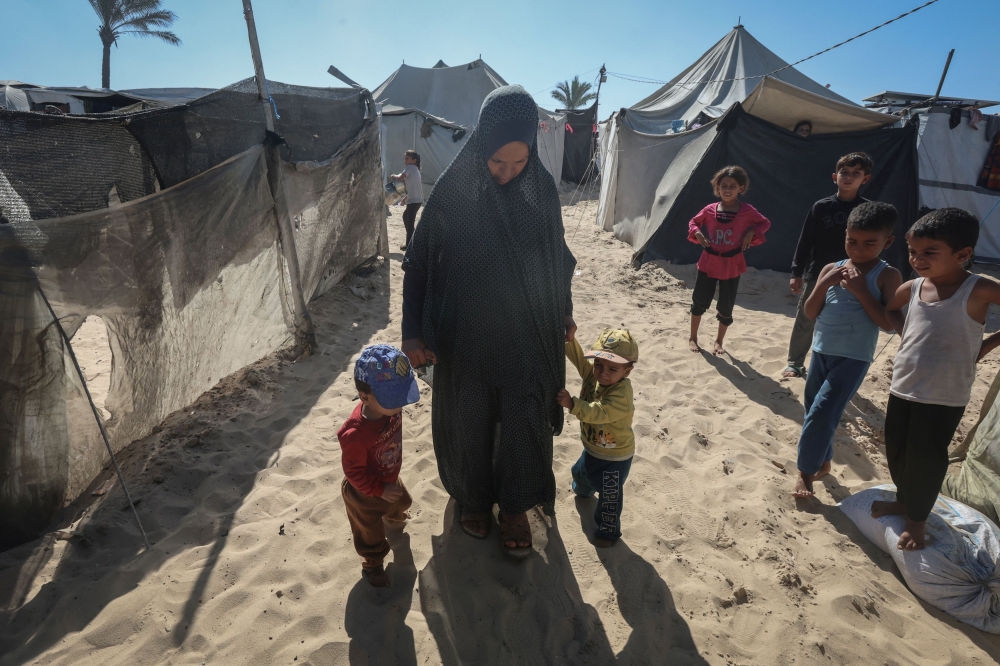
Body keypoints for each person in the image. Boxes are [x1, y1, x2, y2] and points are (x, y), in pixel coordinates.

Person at [400, 85, 576, 558]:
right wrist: (411, 331)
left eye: (518, 163)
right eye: (497, 162)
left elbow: (557, 263)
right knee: (468, 419)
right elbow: (418, 263)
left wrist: (565, 313)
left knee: (523, 419)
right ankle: (474, 499)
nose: (506, 173)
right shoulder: (452, 196)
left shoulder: (541, 194)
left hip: (524, 334)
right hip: (466, 335)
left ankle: (516, 506)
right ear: (481, 146)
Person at [872, 208, 1000, 550]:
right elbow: (891, 309)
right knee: (898, 451)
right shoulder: (913, 287)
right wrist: (906, 334)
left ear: (963, 254)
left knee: (926, 457)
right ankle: (903, 500)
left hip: (944, 396)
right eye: (913, 251)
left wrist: (985, 345)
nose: (917, 259)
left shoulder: (978, 288)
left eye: (929, 252)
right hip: (904, 387)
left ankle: (917, 520)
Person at [792, 202, 902, 498]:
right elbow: (810, 311)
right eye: (852, 241)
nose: (859, 249)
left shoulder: (887, 275)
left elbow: (888, 323)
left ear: (887, 242)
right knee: (814, 409)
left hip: (854, 357)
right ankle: (824, 461)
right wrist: (824, 281)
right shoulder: (833, 268)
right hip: (821, 351)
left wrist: (861, 291)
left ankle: (805, 473)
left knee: (822, 411)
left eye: (869, 243)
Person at [783, 153, 874, 378]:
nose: (849, 177)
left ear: (865, 178)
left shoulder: (868, 211)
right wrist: (797, 272)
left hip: (854, 275)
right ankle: (795, 363)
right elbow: (805, 241)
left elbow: (876, 243)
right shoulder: (821, 207)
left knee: (844, 319)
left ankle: (836, 365)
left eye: (856, 173)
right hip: (819, 273)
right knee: (807, 317)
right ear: (835, 176)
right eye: (844, 172)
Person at [338, 343, 421, 587]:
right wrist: (378, 490)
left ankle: (394, 522)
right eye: (394, 398)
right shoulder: (355, 434)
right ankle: (372, 564)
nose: (401, 403)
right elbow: (353, 473)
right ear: (365, 397)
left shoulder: (389, 409)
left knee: (402, 502)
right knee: (369, 532)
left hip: (390, 477)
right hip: (364, 492)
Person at [557, 328, 638, 548]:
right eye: (599, 364)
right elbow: (580, 361)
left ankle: (608, 532)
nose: (603, 372)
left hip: (615, 457)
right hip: (592, 448)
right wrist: (569, 342)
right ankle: (584, 489)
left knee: (610, 497)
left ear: (627, 371)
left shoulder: (621, 394)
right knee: (581, 473)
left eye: (613, 368)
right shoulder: (593, 376)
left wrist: (573, 405)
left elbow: (600, 412)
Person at [687, 166, 771, 355]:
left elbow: (764, 223)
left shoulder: (747, 211)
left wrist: (752, 231)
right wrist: (697, 232)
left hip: (732, 263)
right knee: (699, 301)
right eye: (723, 185)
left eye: (732, 186)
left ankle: (718, 341)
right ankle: (693, 337)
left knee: (726, 305)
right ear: (717, 187)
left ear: (741, 188)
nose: (727, 189)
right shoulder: (710, 210)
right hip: (709, 261)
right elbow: (693, 222)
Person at [390, 150, 424, 250]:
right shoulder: (415, 170)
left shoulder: (410, 167)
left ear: (414, 160)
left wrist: (393, 176)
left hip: (414, 201)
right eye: (405, 158)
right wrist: (405, 198)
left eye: (407, 158)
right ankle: (413, 241)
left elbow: (400, 178)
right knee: (406, 218)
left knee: (409, 222)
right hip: (416, 200)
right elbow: (413, 188)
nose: (405, 160)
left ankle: (410, 246)